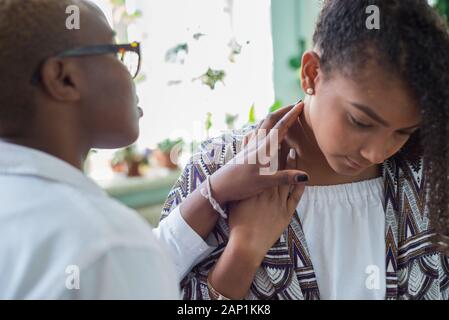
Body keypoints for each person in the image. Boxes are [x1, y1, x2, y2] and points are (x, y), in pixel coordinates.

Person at [0, 0, 306, 299]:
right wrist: (244, 248)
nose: (131, 71)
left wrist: (214, 191)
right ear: (63, 78)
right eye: (117, 52)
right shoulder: (107, 246)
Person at [161, 0, 449, 300]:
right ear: (311, 73)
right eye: (360, 122)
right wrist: (242, 253)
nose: (377, 153)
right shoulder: (218, 170)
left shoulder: (431, 178)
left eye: (404, 131)